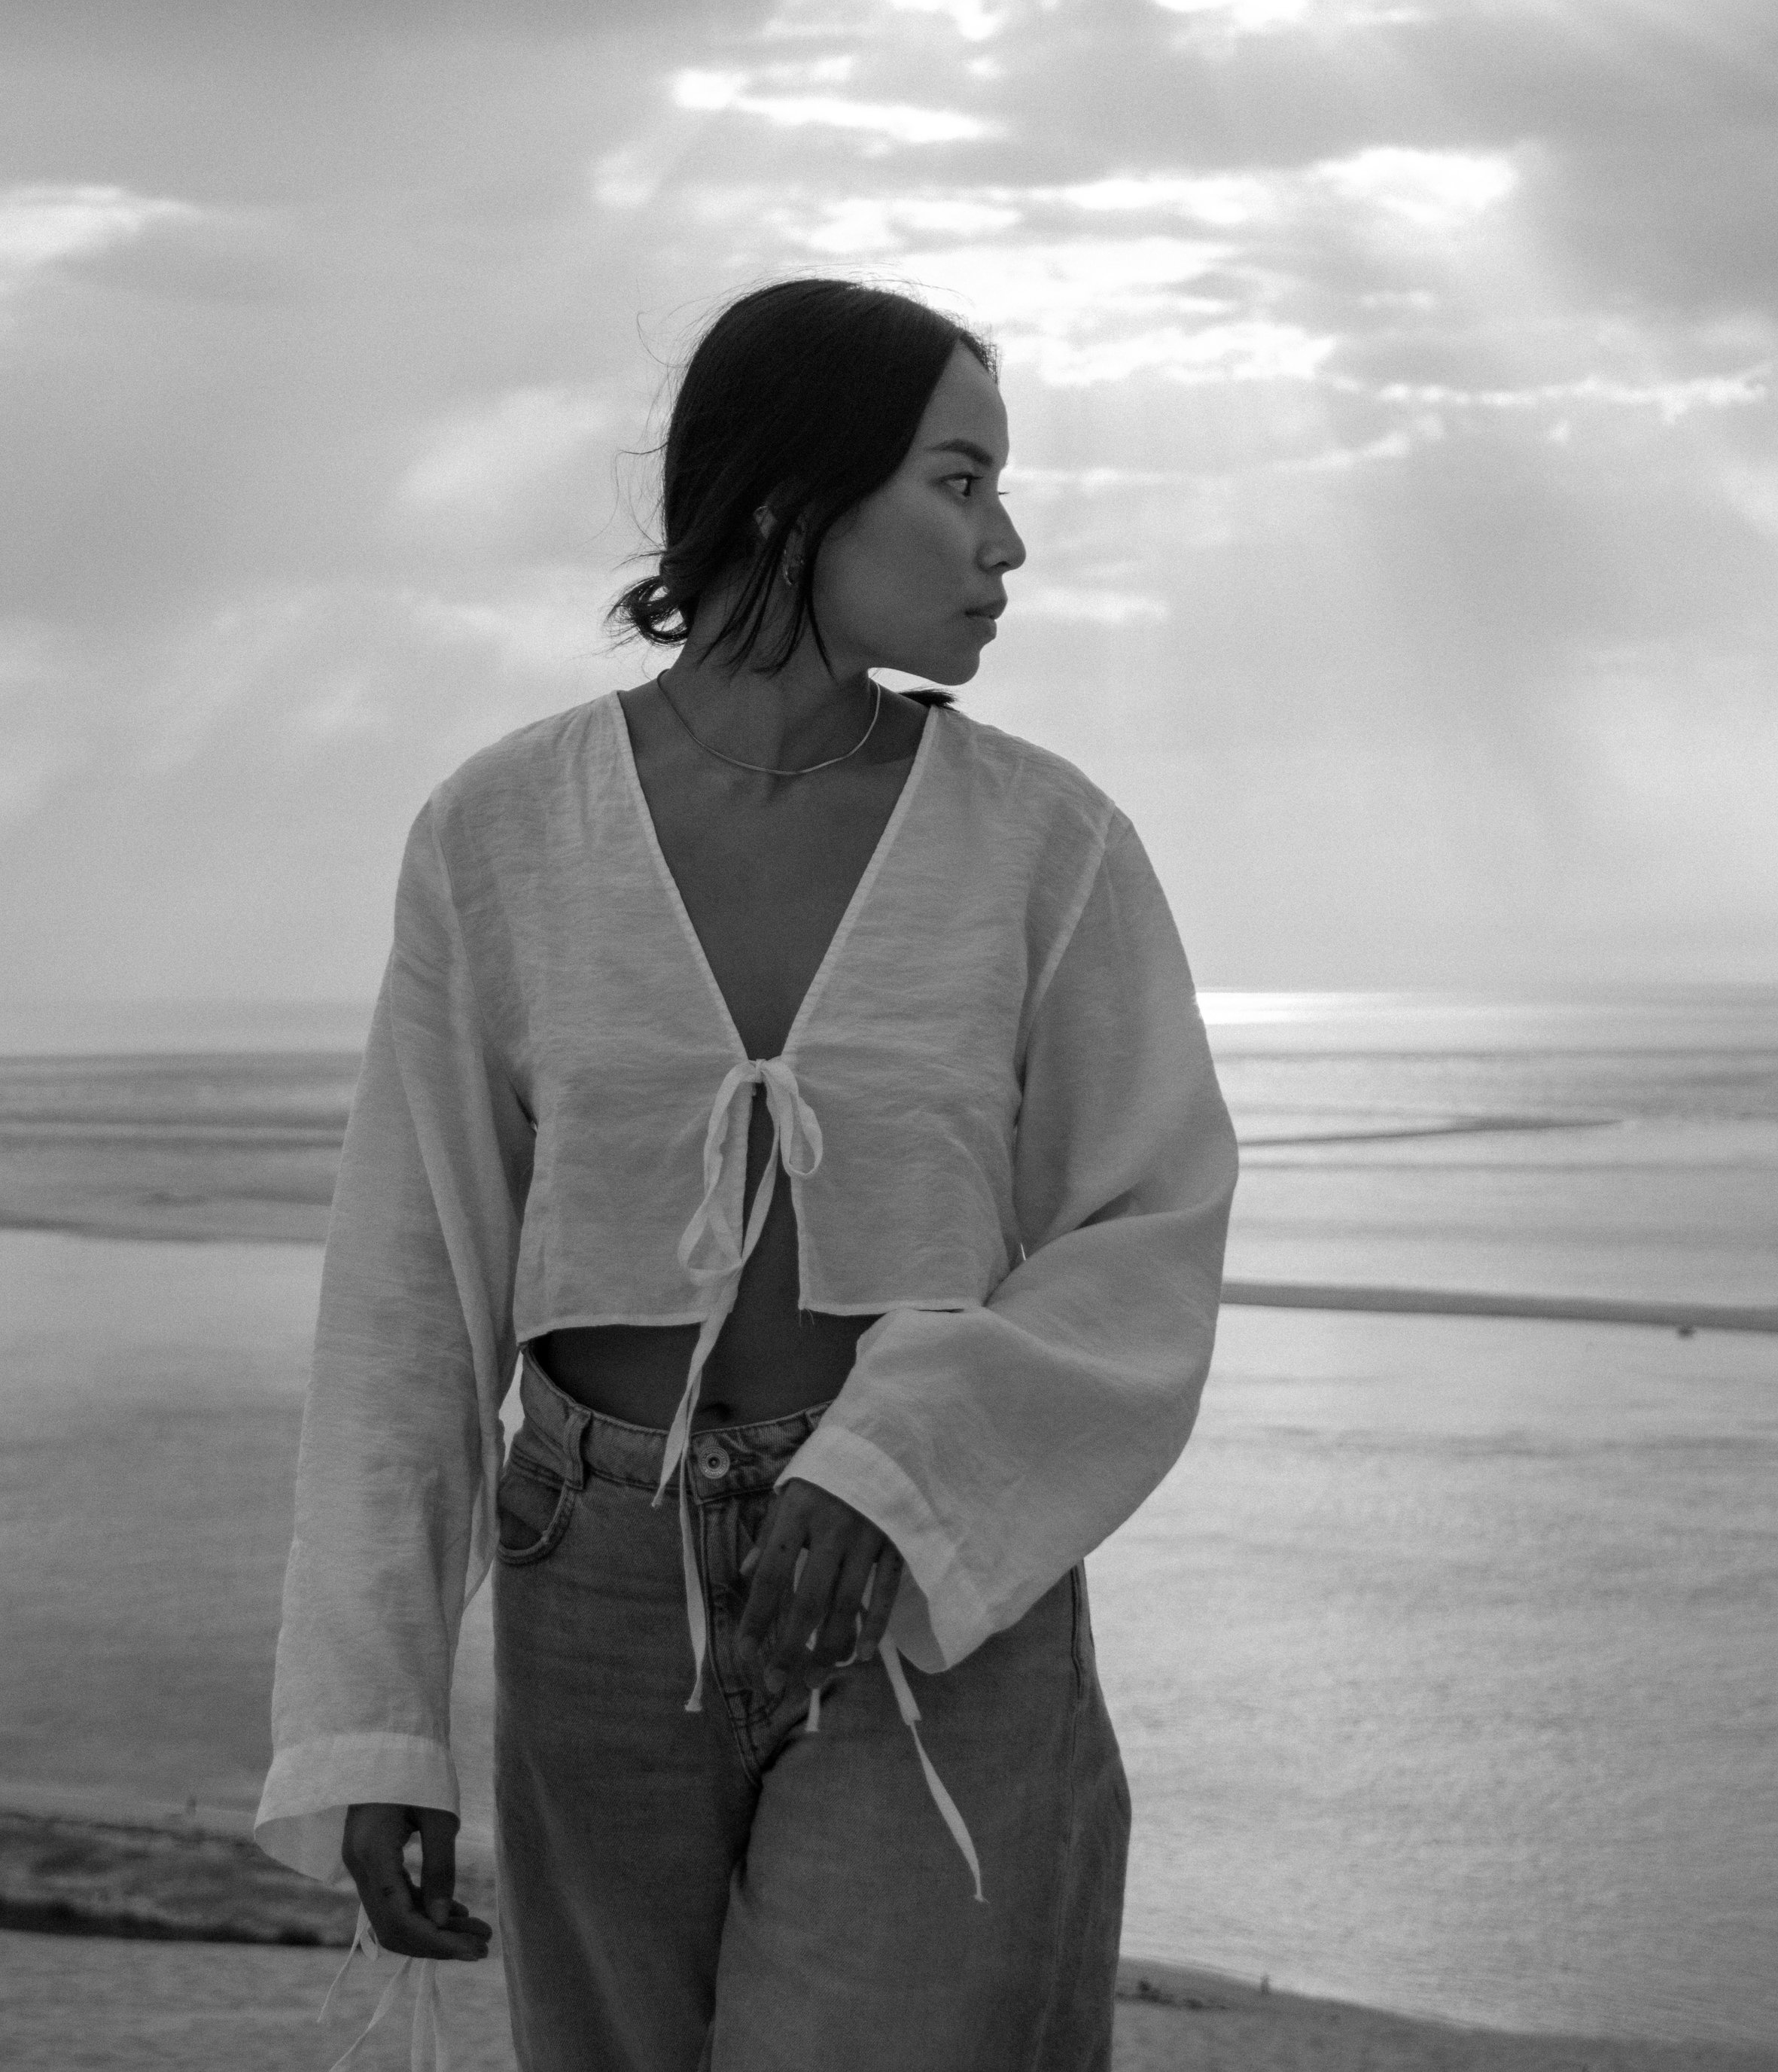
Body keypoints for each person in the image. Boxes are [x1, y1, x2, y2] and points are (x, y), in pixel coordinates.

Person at [257, 277, 1238, 2072]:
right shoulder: (503, 833)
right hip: (591, 1586)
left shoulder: (1046, 843)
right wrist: (374, 1717)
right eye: (959, 481)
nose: (1006, 543)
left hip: (919, 1597)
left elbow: (1145, 1232)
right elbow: (410, 1290)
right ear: (796, 494)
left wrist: (895, 1465)